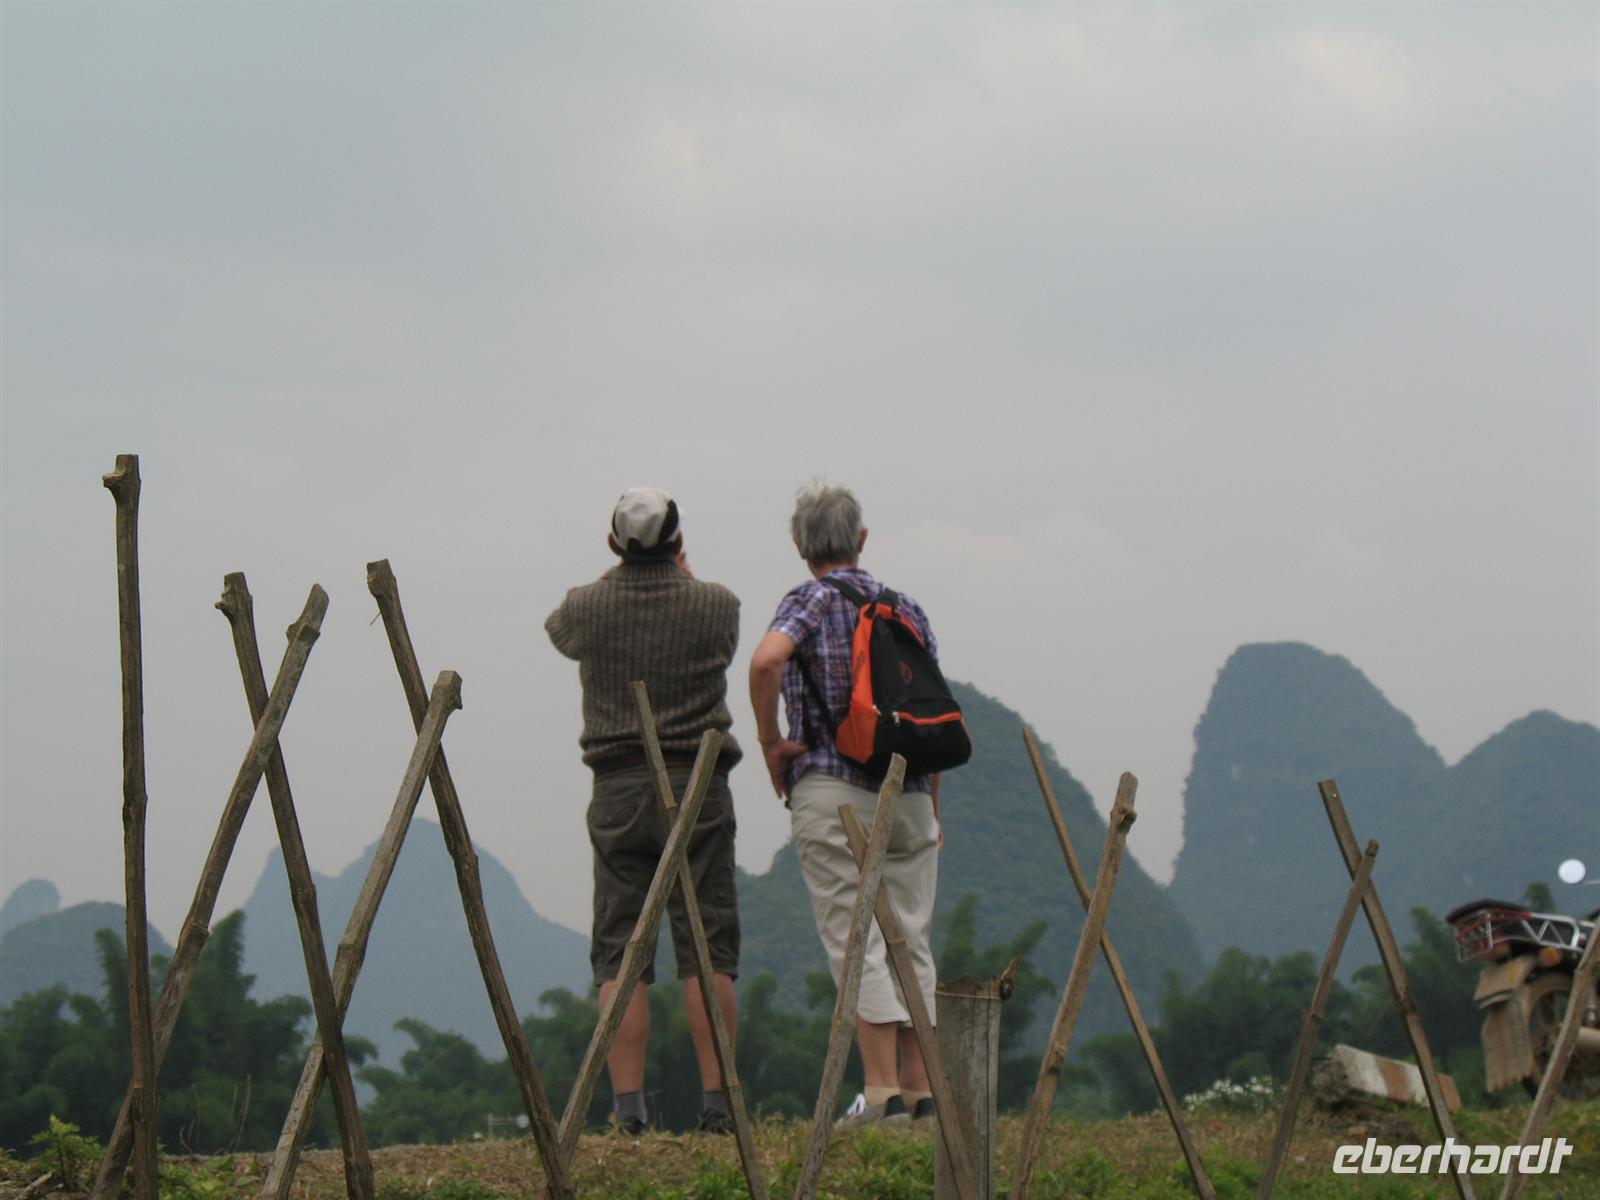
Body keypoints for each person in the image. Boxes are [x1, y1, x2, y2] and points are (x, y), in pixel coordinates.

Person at [545, 486, 743, 1135]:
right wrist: (679, 575)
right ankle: (718, 1104)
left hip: (618, 786)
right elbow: (721, 639)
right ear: (679, 541)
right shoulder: (717, 604)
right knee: (707, 945)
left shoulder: (586, 607)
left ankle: (628, 1110)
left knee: (621, 949)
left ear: (613, 542)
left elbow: (558, 630)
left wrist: (620, 577)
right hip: (698, 782)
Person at [748, 482, 947, 1126]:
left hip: (833, 790)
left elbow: (764, 663)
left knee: (854, 936)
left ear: (799, 544)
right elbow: (929, 711)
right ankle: (921, 1091)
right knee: (910, 935)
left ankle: (881, 1092)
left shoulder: (807, 600)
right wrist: (931, 805)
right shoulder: (905, 608)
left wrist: (771, 743)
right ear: (861, 539)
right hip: (909, 791)